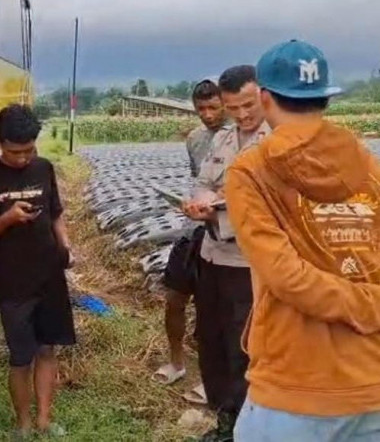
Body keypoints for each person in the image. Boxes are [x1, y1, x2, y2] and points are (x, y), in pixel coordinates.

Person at [226, 40, 380, 441]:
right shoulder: (367, 163)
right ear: (325, 97)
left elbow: (287, 277)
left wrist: (363, 304)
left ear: (264, 98)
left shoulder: (251, 171)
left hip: (295, 387)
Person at [0, 104, 76, 440]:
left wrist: (66, 245)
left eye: (30, 150)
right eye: (16, 152)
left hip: (50, 274)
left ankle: (45, 420)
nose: (24, 158)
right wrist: (8, 218)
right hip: (14, 281)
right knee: (21, 357)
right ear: (0, 143)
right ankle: (23, 424)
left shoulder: (44, 168)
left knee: (48, 349)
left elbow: (56, 213)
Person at [182, 65, 270, 442]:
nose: (243, 115)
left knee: (243, 345)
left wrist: (221, 204)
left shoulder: (275, 141)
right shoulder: (223, 139)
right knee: (210, 337)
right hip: (212, 252)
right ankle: (224, 417)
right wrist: (200, 202)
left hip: (246, 262)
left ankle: (245, 428)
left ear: (263, 95)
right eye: (234, 108)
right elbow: (204, 181)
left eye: (248, 105)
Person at [154, 79, 226, 399]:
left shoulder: (240, 139)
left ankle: (211, 377)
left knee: (212, 310)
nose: (208, 115)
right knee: (174, 297)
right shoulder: (195, 139)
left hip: (224, 232)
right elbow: (199, 180)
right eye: (201, 109)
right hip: (193, 229)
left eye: (214, 107)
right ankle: (176, 362)